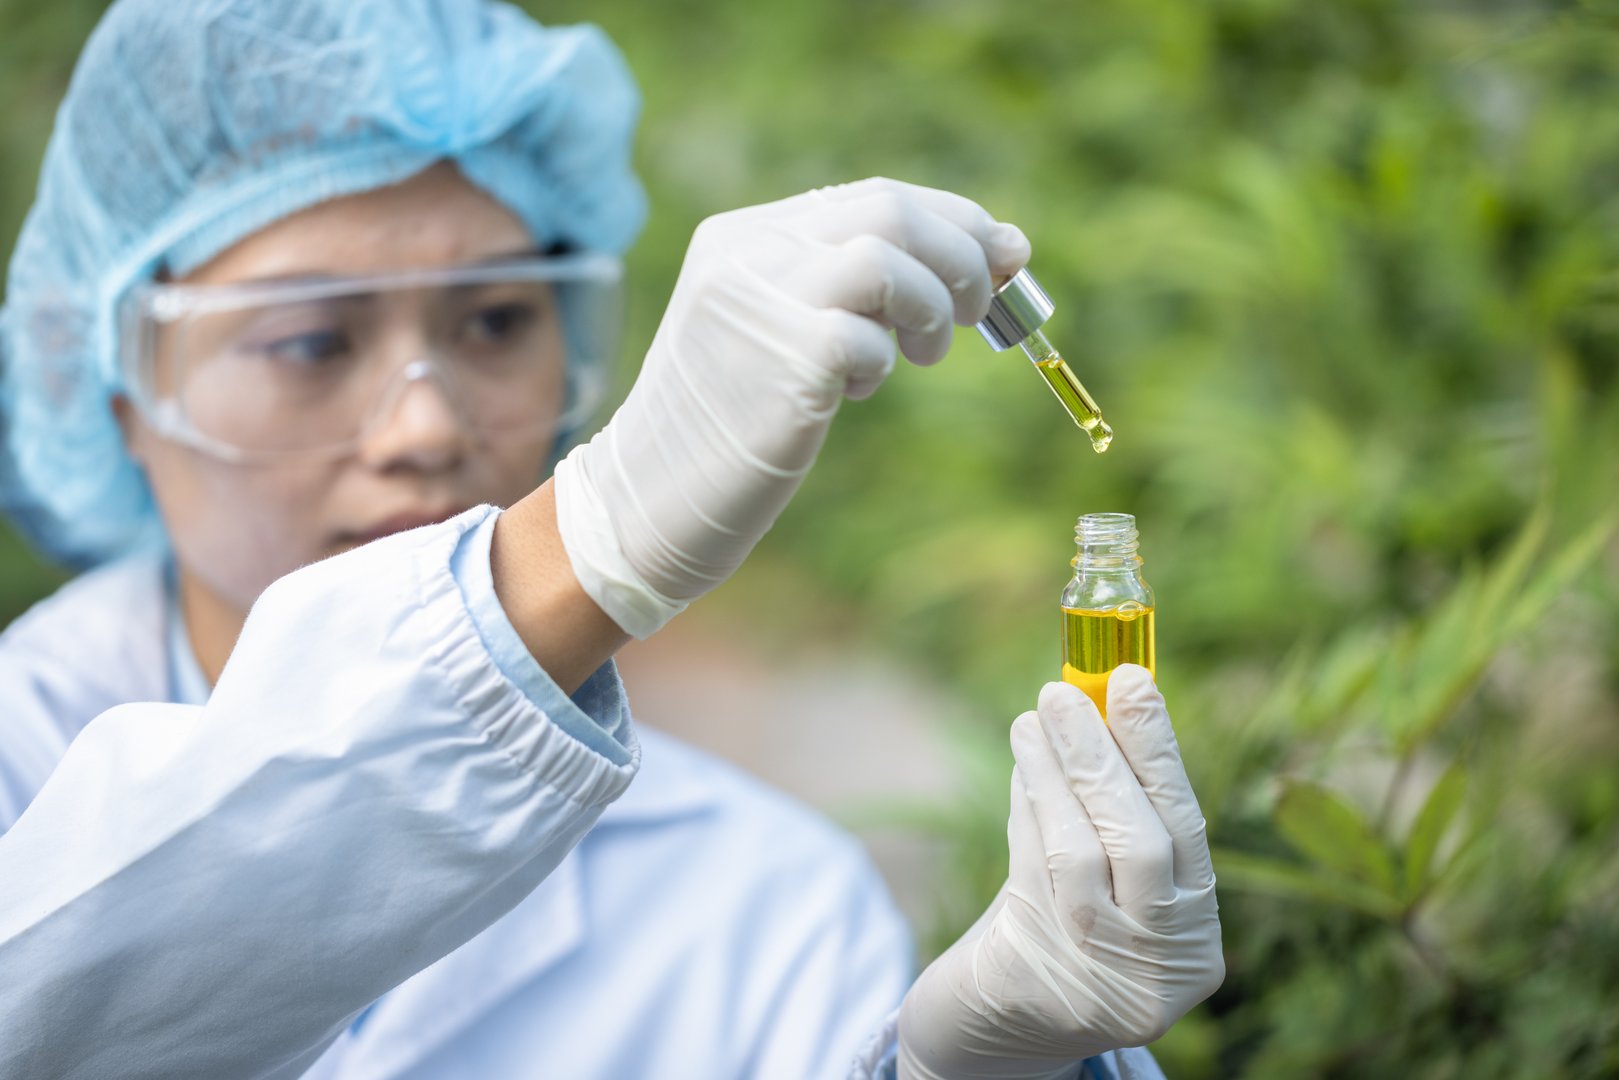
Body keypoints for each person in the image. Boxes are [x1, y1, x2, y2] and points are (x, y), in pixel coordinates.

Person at [0, 2, 1225, 1078]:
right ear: (117, 388)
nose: (427, 425)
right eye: (312, 342)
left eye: (493, 320)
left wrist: (972, 1078)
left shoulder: (764, 900)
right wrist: (580, 548)